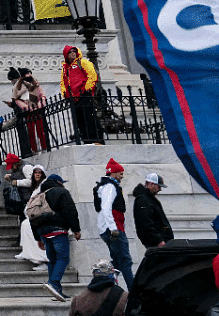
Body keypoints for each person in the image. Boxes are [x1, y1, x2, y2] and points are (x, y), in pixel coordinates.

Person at [30, 173, 82, 302]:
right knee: (63, 258)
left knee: (52, 259)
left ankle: (56, 291)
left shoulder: (39, 195)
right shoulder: (61, 192)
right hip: (57, 229)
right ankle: (53, 283)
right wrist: (76, 229)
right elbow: (70, 210)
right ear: (58, 182)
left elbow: (33, 217)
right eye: (62, 182)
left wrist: (38, 238)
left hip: (43, 232)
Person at [94, 158, 134, 289]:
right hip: (113, 229)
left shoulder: (106, 186)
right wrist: (113, 228)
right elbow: (107, 208)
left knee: (117, 262)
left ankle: (105, 286)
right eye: (120, 173)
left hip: (108, 229)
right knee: (125, 261)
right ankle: (134, 292)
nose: (122, 176)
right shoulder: (110, 186)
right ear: (113, 173)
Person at [61, 45, 102, 144]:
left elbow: (92, 75)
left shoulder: (82, 62)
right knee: (80, 121)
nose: (73, 53)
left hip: (84, 95)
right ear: (67, 55)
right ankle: (86, 140)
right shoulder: (66, 68)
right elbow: (63, 82)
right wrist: (65, 93)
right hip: (74, 98)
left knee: (90, 118)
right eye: (70, 52)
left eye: (74, 51)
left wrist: (87, 89)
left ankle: (96, 139)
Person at [12, 164, 49, 268]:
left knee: (30, 228)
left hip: (42, 217)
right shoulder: (36, 186)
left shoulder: (44, 185)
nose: (37, 175)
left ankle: (43, 260)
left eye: (39, 173)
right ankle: (26, 251)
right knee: (25, 225)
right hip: (34, 217)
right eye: (35, 173)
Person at [9, 67, 48, 156]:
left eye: (30, 73)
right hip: (28, 111)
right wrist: (26, 107)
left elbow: (42, 94)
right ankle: (34, 149)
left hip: (38, 109)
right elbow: (16, 99)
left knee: (40, 129)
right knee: (31, 131)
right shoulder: (18, 87)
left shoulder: (36, 83)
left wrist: (41, 102)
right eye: (27, 74)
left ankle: (44, 147)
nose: (29, 75)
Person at [132, 172, 173, 249]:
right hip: (156, 242)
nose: (160, 189)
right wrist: (158, 240)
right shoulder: (143, 200)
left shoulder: (149, 199)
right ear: (151, 184)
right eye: (159, 186)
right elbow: (146, 223)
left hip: (159, 241)